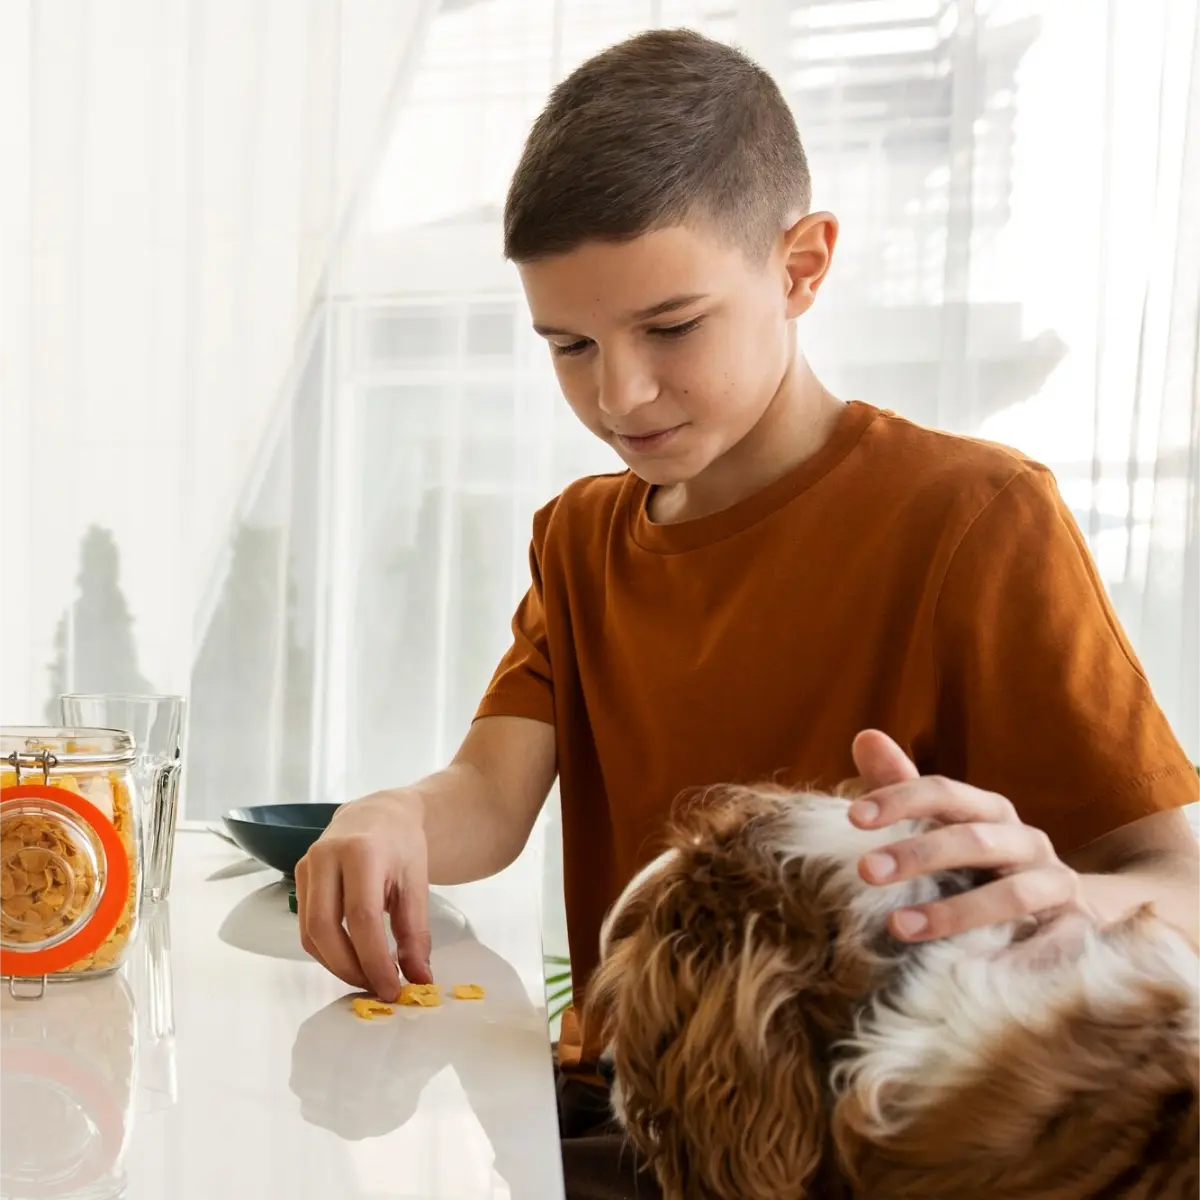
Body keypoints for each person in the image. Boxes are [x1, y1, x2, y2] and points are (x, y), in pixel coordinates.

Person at [295, 28, 1200, 1199]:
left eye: (672, 328)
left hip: (869, 1160)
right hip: (637, 1131)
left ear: (803, 266)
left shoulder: (975, 517)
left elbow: (1177, 883)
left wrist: (1075, 895)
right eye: (569, 345)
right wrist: (392, 815)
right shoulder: (580, 536)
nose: (619, 393)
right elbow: (489, 795)